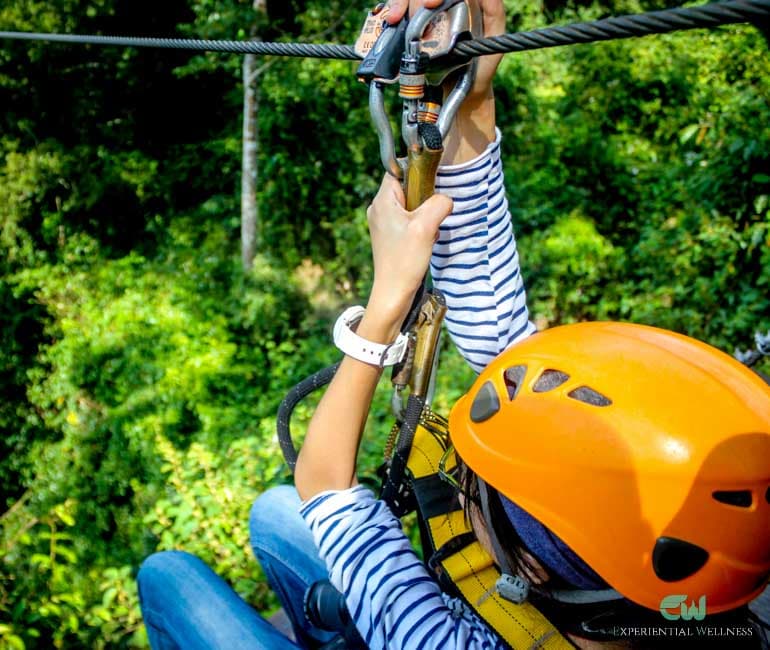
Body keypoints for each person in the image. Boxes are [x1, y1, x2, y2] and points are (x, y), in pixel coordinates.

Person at [137, 0, 770, 648]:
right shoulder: (695, 599)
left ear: (523, 569)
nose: (464, 475)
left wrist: (388, 297)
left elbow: (324, 482)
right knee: (274, 514)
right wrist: (473, 82)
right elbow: (496, 330)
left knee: (169, 576)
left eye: (479, 479)